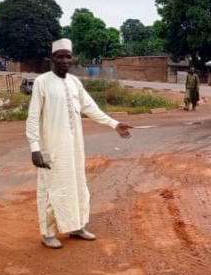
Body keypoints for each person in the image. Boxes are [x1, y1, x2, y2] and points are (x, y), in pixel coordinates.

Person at [26, 38, 133, 249]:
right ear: (52, 59)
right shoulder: (42, 82)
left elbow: (90, 108)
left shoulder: (75, 82)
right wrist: (35, 148)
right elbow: (32, 117)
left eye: (68, 56)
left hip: (74, 147)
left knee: (77, 185)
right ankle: (48, 233)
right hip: (52, 147)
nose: (65, 60)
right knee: (51, 189)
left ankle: (77, 226)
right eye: (60, 56)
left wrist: (114, 123)